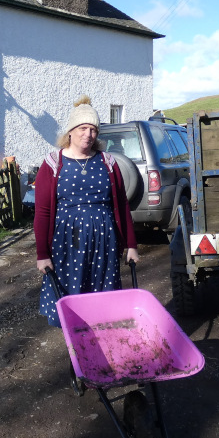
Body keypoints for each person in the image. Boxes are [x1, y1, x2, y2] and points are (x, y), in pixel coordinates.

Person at [34, 96, 139, 327]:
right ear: (70, 131)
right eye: (83, 128)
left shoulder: (108, 162)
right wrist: (42, 254)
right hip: (67, 244)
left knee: (102, 307)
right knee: (73, 304)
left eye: (93, 129)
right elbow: (41, 213)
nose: (88, 134)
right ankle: (77, 357)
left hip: (105, 243)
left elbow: (121, 205)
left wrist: (131, 245)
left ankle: (99, 352)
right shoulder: (52, 163)